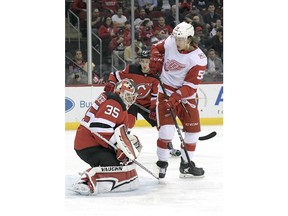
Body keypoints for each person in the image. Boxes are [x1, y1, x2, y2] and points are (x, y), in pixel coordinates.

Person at [149, 21, 207, 178]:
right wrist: (155, 57)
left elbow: (190, 87)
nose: (176, 41)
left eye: (180, 39)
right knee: (166, 132)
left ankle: (186, 165)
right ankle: (161, 164)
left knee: (193, 133)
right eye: (175, 38)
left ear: (189, 39)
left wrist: (175, 97)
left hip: (185, 97)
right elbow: (156, 47)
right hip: (165, 90)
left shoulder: (199, 59)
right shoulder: (171, 41)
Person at [104, 50, 181, 156]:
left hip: (147, 104)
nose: (145, 65)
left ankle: (168, 146)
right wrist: (111, 82)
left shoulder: (155, 75)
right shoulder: (131, 69)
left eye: (147, 62)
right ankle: (121, 146)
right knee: (128, 123)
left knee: (160, 123)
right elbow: (114, 75)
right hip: (132, 102)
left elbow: (155, 94)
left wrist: (154, 108)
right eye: (143, 61)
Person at [71, 78, 142, 195]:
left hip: (91, 144)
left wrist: (121, 147)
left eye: (133, 97)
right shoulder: (115, 103)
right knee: (116, 167)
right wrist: (116, 147)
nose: (131, 100)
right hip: (90, 146)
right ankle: (86, 181)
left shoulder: (114, 100)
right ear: (120, 92)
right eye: (128, 96)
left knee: (125, 161)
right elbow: (100, 128)